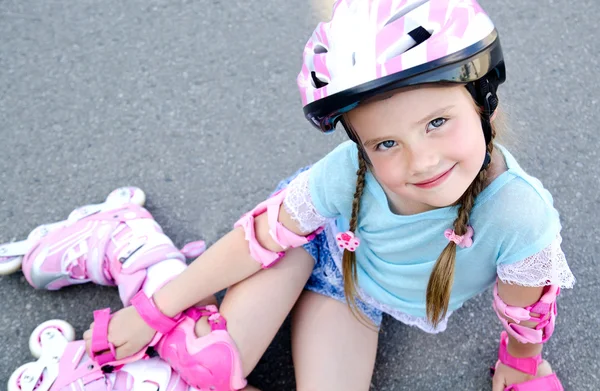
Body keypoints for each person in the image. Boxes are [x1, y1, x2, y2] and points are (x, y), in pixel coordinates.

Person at [82, 1, 575, 390]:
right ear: (360, 144)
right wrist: (152, 312)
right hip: (320, 252)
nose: (421, 161)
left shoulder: (518, 213)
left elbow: (525, 305)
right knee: (209, 366)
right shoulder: (345, 174)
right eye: (385, 143)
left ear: (484, 101)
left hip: (355, 292)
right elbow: (261, 237)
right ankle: (132, 245)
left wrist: (521, 363)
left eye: (437, 122)